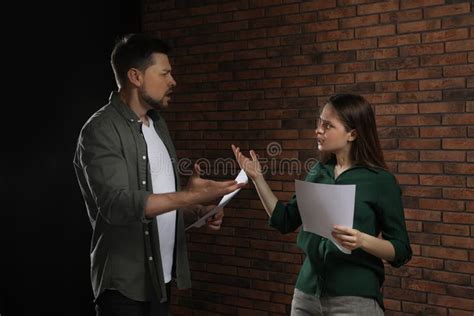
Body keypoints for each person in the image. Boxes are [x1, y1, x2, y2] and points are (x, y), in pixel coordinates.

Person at [73, 33, 243, 316]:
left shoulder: (158, 126)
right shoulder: (100, 130)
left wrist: (197, 209)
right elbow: (116, 205)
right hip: (123, 288)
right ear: (135, 77)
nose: (172, 81)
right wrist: (187, 196)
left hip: (160, 281)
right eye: (164, 73)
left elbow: (162, 207)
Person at [232, 94, 412, 316]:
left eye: (327, 125)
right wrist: (258, 179)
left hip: (354, 298)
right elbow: (284, 220)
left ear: (352, 134)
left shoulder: (380, 181)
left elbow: (401, 250)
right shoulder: (318, 172)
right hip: (306, 295)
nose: (318, 130)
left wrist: (362, 239)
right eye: (319, 122)